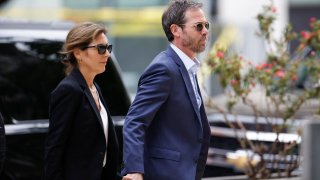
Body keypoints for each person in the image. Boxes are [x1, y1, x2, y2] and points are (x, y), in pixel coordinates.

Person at [121, 0, 211, 179]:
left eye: (206, 25)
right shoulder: (164, 69)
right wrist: (134, 170)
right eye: (198, 26)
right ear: (176, 30)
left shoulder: (187, 68)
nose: (205, 31)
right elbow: (134, 121)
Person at [43, 22, 120, 180]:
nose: (107, 54)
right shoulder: (69, 90)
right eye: (100, 48)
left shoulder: (95, 88)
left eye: (108, 48)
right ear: (78, 53)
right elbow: (54, 148)